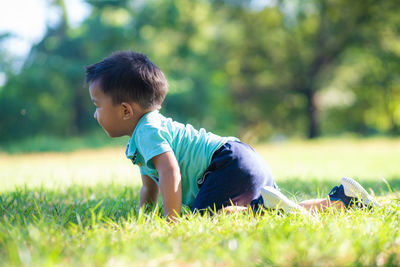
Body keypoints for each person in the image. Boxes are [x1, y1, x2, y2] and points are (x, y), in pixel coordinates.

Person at [85, 50, 381, 220]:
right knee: (267, 209)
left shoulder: (147, 129)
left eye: (97, 106)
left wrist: (171, 221)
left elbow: (170, 172)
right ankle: (344, 200)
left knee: (203, 217)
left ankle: (267, 208)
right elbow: (150, 187)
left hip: (225, 165)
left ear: (125, 110)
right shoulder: (146, 133)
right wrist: (143, 217)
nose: (95, 114)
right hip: (239, 156)